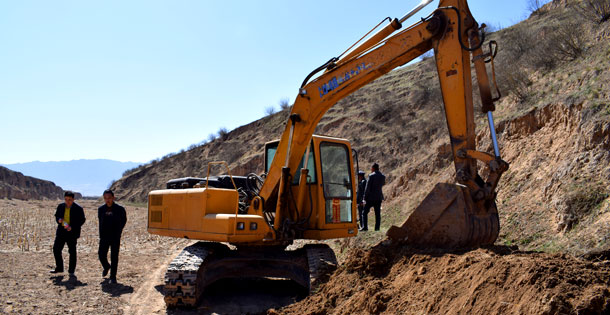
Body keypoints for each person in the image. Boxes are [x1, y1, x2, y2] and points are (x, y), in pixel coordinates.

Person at [51, 191, 86, 277]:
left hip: (72, 233)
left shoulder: (78, 208)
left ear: (73, 199)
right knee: (56, 249)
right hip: (61, 231)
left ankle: (71, 271)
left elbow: (82, 220)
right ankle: (59, 268)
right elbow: (57, 216)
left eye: (69, 199)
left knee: (72, 252)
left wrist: (72, 227)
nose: (67, 201)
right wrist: (58, 220)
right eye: (66, 199)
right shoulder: (61, 206)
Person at [98, 189, 127, 284]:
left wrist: (118, 231)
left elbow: (123, 221)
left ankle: (113, 276)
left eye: (109, 198)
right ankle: (106, 266)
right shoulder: (101, 209)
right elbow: (100, 222)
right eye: (105, 198)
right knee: (101, 255)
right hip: (104, 236)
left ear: (113, 198)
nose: (107, 200)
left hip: (115, 236)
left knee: (114, 257)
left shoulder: (120, 209)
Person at [362, 163, 385, 231]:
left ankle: (365, 227)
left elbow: (367, 188)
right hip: (378, 197)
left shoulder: (371, 176)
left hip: (370, 198)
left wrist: (364, 197)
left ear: (373, 168)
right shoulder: (382, 176)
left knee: (364, 212)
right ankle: (377, 228)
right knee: (377, 214)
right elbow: (383, 184)